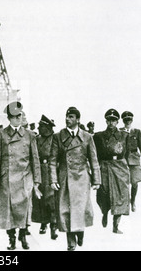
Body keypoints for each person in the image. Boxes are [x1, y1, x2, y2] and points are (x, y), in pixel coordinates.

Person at [0, 101, 41, 250]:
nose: (18, 118)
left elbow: (35, 158)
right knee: (8, 210)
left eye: (19, 115)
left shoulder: (30, 135)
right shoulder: (0, 134)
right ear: (9, 118)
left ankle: (23, 236)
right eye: (14, 116)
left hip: (25, 177)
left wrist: (37, 179)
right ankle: (11, 238)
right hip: (7, 177)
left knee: (25, 208)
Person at [49, 107, 101, 251]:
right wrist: (53, 179)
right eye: (66, 116)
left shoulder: (87, 137)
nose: (67, 119)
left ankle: (80, 231)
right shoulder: (58, 136)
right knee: (65, 209)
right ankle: (70, 242)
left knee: (80, 208)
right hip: (64, 178)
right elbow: (53, 160)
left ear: (78, 119)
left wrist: (97, 180)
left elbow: (94, 160)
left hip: (82, 178)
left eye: (71, 117)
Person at [93, 109, 130, 234]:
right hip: (105, 166)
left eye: (113, 120)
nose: (111, 122)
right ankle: (105, 212)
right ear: (106, 121)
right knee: (104, 193)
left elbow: (128, 152)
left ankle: (116, 224)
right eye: (109, 120)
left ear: (118, 121)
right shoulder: (99, 136)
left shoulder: (124, 135)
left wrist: (124, 165)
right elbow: (95, 155)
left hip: (120, 166)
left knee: (121, 195)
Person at [32, 115, 58, 240]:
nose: (38, 128)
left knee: (51, 198)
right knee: (40, 198)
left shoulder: (55, 139)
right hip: (39, 170)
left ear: (47, 127)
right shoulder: (37, 139)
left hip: (51, 170)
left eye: (41, 126)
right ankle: (43, 223)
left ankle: (53, 225)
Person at [119, 111, 141, 212]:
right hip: (123, 159)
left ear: (132, 120)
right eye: (126, 119)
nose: (128, 121)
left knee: (134, 182)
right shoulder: (119, 131)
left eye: (129, 119)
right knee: (123, 182)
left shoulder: (137, 132)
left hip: (134, 159)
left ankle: (132, 201)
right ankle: (125, 203)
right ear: (123, 121)